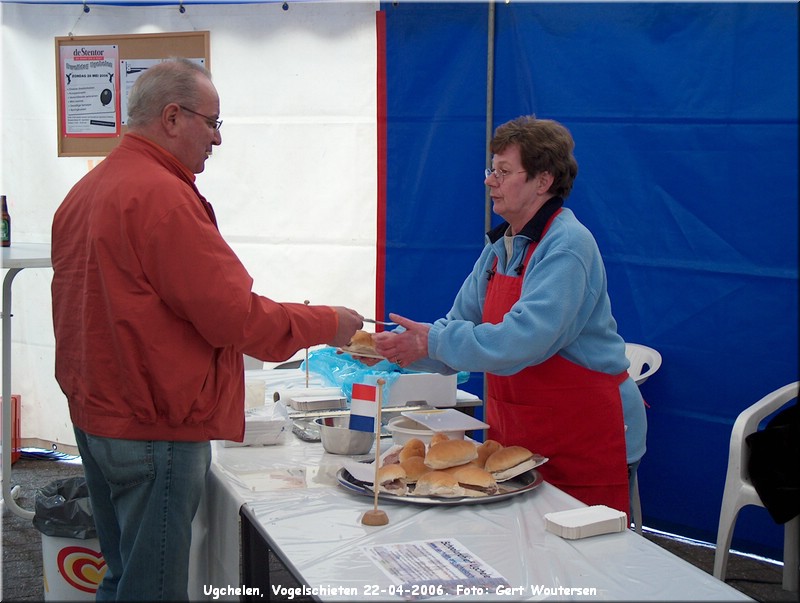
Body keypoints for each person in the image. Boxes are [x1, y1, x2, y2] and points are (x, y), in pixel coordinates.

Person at [50, 58, 363, 601]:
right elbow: (234, 318)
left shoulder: (88, 189)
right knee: (153, 587)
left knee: (123, 575)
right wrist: (328, 322)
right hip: (153, 424)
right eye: (213, 122)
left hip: (99, 413)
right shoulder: (162, 197)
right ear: (172, 117)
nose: (217, 140)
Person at [373, 115, 646, 517]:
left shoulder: (567, 246)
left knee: (580, 564)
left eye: (503, 171)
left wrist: (430, 341)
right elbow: (455, 328)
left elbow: (524, 340)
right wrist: (396, 347)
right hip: (520, 433)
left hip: (583, 432)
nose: (489, 181)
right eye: (491, 170)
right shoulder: (501, 248)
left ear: (543, 181)